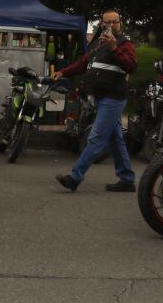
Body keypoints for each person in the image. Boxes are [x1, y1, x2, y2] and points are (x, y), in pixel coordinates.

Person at [54, 10, 138, 193]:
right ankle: (127, 179)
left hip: (113, 99)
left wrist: (115, 48)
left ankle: (75, 177)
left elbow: (131, 66)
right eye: (106, 23)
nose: (109, 26)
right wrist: (63, 72)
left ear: (120, 23)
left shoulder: (124, 44)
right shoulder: (98, 44)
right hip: (101, 98)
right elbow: (83, 63)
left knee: (96, 138)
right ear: (101, 24)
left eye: (113, 22)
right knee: (116, 139)